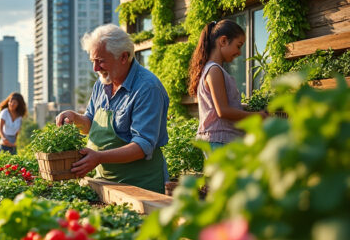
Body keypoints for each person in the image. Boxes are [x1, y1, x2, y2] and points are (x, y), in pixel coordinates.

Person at [56, 24, 169, 193]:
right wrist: (75, 118)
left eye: (101, 61)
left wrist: (99, 157)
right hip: (105, 184)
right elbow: (90, 124)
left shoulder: (147, 88)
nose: (95, 68)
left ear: (124, 57)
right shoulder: (101, 84)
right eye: (93, 61)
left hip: (140, 186)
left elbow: (142, 145)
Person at [188, 20, 267, 151]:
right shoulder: (214, 70)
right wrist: (258, 115)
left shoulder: (212, 69)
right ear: (223, 41)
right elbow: (223, 111)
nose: (240, 52)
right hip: (220, 141)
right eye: (238, 45)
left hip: (218, 140)